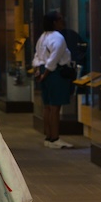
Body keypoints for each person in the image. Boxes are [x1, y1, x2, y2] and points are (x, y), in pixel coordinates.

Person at [34, 10, 75, 149]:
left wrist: (38, 72)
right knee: (55, 107)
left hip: (44, 71)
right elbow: (54, 59)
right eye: (60, 19)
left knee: (47, 106)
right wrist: (46, 74)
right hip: (55, 73)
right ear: (54, 22)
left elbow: (37, 56)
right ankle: (55, 138)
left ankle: (48, 136)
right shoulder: (58, 37)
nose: (62, 21)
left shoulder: (43, 37)